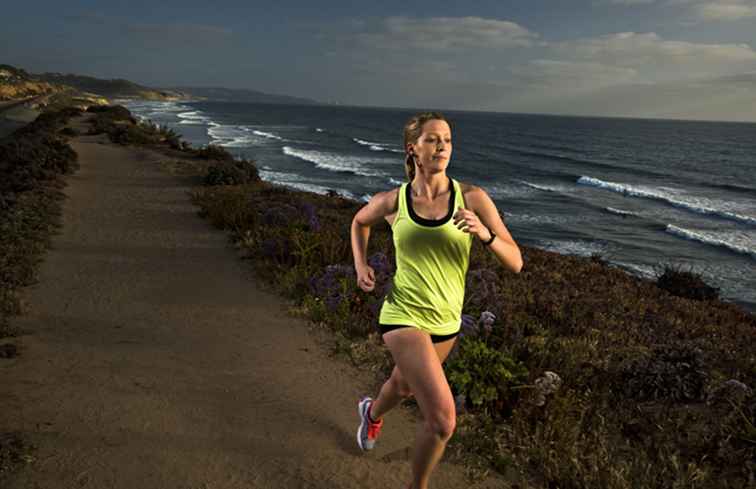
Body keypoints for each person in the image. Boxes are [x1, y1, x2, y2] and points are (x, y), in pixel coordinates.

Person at [350, 111, 523, 489]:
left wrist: (486, 236)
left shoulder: (473, 199)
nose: (442, 145)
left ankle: (371, 412)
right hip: (402, 314)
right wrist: (360, 264)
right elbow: (359, 222)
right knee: (443, 420)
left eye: (447, 139)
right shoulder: (393, 201)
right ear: (414, 148)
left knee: (403, 386)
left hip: (447, 321)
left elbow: (516, 262)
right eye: (432, 139)